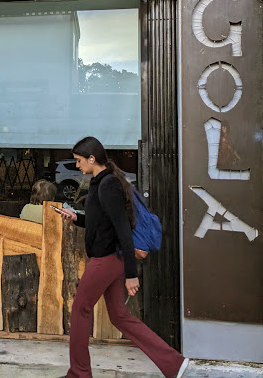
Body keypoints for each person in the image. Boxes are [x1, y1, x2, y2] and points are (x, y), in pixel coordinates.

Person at [56, 136, 189, 378]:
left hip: (106, 260)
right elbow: (100, 224)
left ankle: (79, 374)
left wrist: (131, 274)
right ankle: (174, 364)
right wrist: (76, 217)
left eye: (79, 160)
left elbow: (123, 231)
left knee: (80, 309)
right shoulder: (101, 182)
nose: (77, 165)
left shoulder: (108, 185)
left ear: (92, 158)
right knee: (119, 316)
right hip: (111, 259)